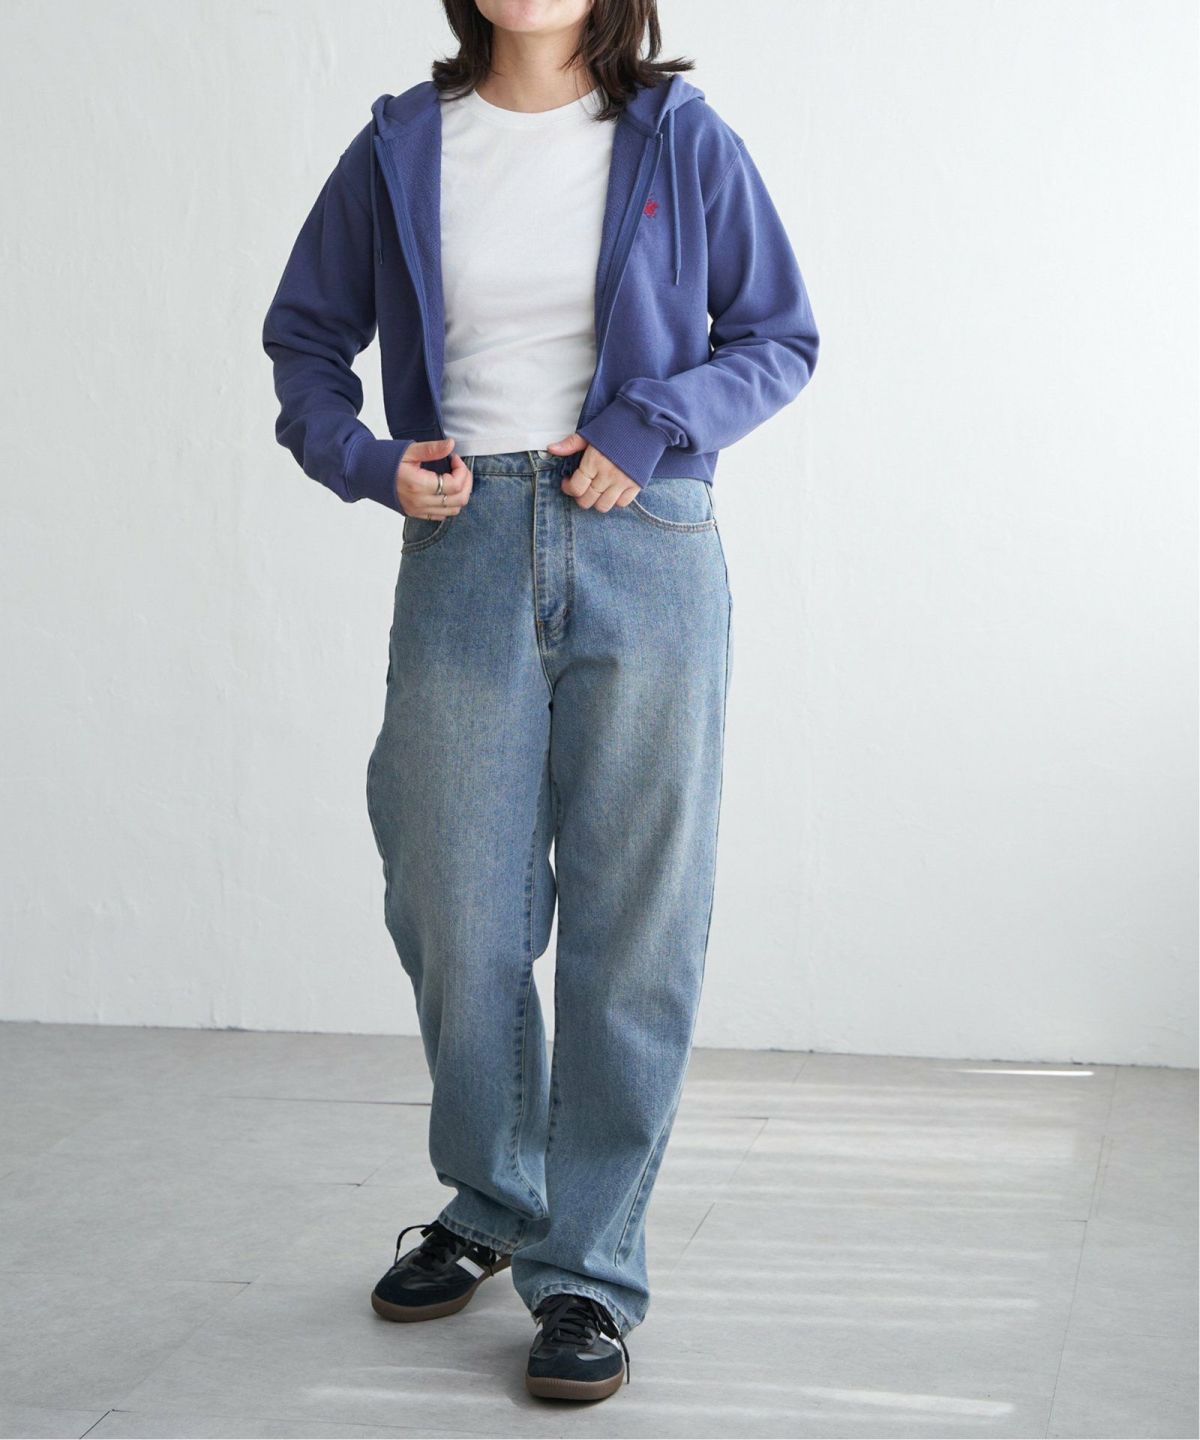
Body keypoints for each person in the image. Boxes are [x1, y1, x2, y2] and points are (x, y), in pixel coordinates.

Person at [262, 0, 818, 1404]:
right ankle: (495, 1198)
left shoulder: (680, 138)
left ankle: (590, 1271)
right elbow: (305, 343)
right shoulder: (401, 144)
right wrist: (370, 462)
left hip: (646, 540)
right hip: (464, 544)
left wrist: (652, 423)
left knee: (637, 916)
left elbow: (778, 336)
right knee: (454, 899)